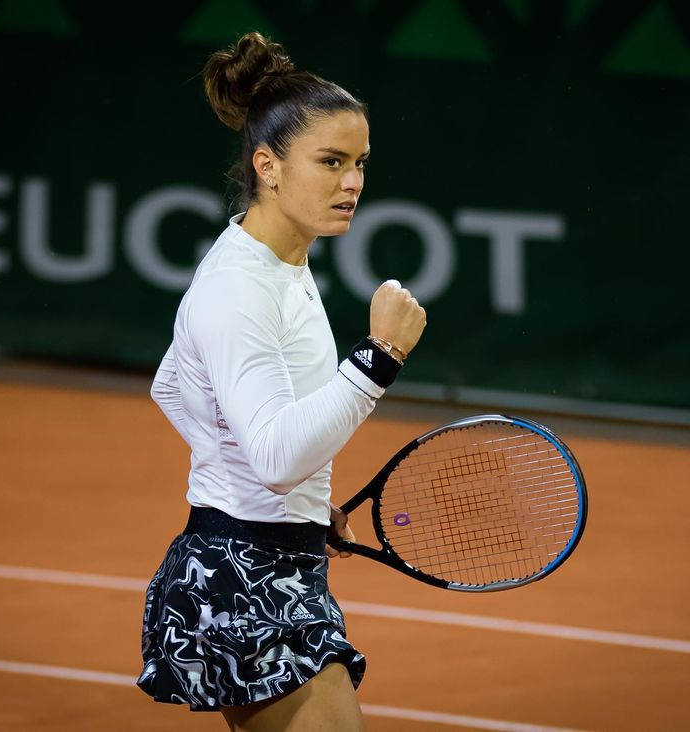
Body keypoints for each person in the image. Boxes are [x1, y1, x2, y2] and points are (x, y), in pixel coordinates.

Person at [136, 31, 426, 732]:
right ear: (267, 165)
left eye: (358, 162)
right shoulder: (240, 287)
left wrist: (294, 500)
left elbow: (171, 385)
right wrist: (378, 355)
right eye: (329, 162)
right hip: (242, 580)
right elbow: (270, 456)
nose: (351, 181)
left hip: (260, 558)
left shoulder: (278, 266)